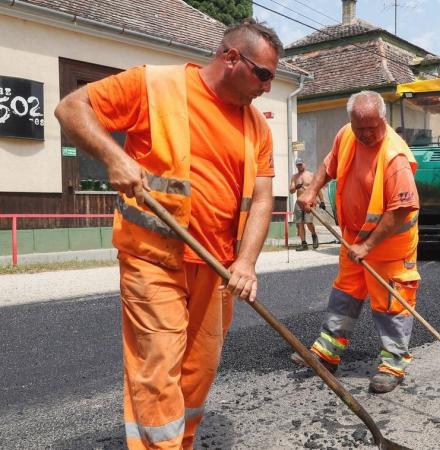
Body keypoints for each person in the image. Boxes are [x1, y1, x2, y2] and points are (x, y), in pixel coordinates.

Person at [54, 19, 282, 448]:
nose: (268, 87)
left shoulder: (257, 127)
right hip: (153, 259)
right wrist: (114, 156)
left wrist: (247, 263)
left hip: (216, 270)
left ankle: (182, 441)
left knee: (198, 371)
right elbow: (71, 108)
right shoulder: (155, 86)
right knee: (157, 367)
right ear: (231, 58)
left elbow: (263, 198)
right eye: (264, 74)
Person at [292, 90, 421, 394]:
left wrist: (368, 246)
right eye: (359, 127)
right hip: (354, 238)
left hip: (389, 246)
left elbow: (401, 210)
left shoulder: (395, 157)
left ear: (383, 120)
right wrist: (311, 189)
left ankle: (393, 365)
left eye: (372, 128)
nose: (365, 134)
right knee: (345, 293)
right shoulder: (346, 135)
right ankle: (327, 353)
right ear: (350, 121)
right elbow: (329, 164)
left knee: (392, 305)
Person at [289, 157, 326, 251]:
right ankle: (303, 243)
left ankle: (314, 235)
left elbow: (317, 188)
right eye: (298, 165)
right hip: (299, 202)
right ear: (296, 166)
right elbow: (291, 191)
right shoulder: (294, 177)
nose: (299, 166)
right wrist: (295, 187)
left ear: (304, 164)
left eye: (301, 164)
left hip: (309, 201)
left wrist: (322, 201)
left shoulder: (310, 175)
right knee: (300, 223)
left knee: (308, 222)